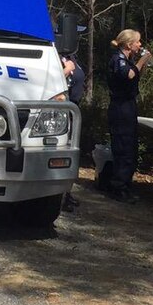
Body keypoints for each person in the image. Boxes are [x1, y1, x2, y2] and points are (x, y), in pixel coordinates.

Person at [106, 29, 153, 203]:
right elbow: (129, 74)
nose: (140, 45)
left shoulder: (127, 60)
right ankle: (119, 187)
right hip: (121, 108)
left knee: (130, 146)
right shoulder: (118, 59)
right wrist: (142, 60)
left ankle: (125, 184)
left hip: (129, 106)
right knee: (123, 147)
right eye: (138, 42)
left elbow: (135, 76)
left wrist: (143, 63)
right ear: (128, 44)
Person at [60, 52, 86, 212]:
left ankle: (66, 194)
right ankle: (61, 197)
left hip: (73, 109)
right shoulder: (55, 54)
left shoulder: (72, 56)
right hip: (62, 109)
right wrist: (66, 69)